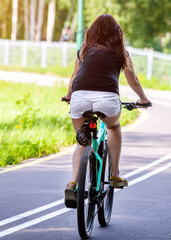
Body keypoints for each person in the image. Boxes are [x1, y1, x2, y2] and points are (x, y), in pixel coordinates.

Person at [62, 14, 151, 207]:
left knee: (82, 141)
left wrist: (69, 95)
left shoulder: (83, 49)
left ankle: (73, 183)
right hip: (107, 100)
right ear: (116, 34)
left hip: (80, 98)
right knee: (113, 127)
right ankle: (115, 174)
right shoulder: (121, 52)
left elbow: (74, 76)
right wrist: (143, 99)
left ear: (92, 31)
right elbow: (132, 80)